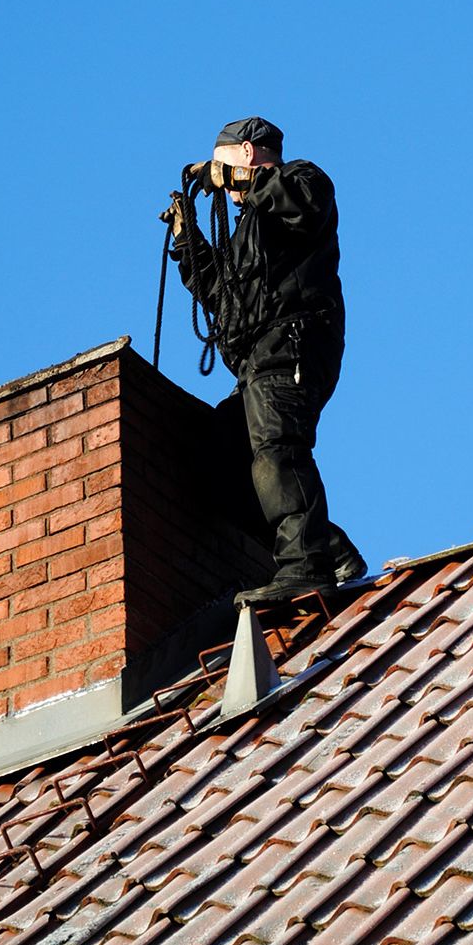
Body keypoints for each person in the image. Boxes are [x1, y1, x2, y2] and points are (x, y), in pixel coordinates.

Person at [162, 116, 366, 605]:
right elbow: (222, 295)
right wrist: (189, 239)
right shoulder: (247, 230)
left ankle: (304, 567)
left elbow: (297, 204)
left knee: (277, 448)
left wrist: (230, 179)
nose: (219, 184)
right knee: (222, 465)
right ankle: (328, 548)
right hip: (255, 359)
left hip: (292, 341)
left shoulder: (304, 180)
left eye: (223, 165)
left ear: (248, 154)